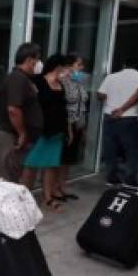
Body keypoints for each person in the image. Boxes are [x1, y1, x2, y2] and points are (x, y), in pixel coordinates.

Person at [24, 55, 72, 211]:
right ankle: (23, 198)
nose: (68, 72)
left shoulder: (61, 85)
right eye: (67, 68)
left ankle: (48, 197)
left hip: (57, 132)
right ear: (58, 67)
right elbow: (29, 107)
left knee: (51, 165)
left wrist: (68, 130)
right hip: (40, 131)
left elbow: (64, 110)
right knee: (30, 165)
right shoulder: (38, 82)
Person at [0, 43, 43, 186]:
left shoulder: (26, 79)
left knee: (14, 177)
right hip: (10, 136)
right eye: (37, 59)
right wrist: (22, 133)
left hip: (19, 137)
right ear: (29, 60)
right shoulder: (18, 78)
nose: (39, 64)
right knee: (5, 180)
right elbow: (13, 109)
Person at [97, 57, 138, 187]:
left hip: (109, 115)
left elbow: (100, 95)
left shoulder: (111, 77)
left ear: (124, 64)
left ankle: (111, 177)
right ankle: (129, 180)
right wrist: (122, 108)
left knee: (110, 148)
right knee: (131, 150)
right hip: (128, 117)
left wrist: (112, 97)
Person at [54, 54, 89, 201]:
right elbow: (65, 103)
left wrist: (83, 126)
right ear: (69, 65)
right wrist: (69, 127)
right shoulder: (62, 80)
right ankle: (53, 188)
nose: (81, 68)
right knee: (60, 157)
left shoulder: (78, 81)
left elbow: (83, 103)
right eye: (78, 65)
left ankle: (62, 186)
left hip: (78, 123)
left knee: (69, 159)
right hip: (66, 123)